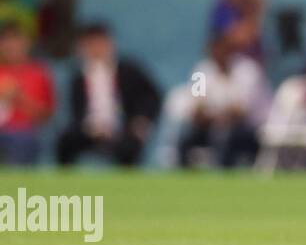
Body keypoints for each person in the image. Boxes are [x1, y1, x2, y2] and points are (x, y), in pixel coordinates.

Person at [57, 22, 161, 167]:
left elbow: (152, 96)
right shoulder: (79, 77)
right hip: (89, 131)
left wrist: (142, 120)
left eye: (100, 42)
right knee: (66, 140)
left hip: (123, 129)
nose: (96, 48)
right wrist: (92, 128)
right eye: (91, 44)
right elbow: (77, 112)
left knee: (131, 146)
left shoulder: (129, 71)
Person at [179, 28, 269, 169]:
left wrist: (219, 116)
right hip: (210, 127)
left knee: (231, 141)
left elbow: (241, 112)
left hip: (247, 130)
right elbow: (197, 110)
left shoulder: (247, 71)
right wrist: (217, 118)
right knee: (186, 141)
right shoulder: (201, 72)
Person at [0, 21, 54, 165]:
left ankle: (17, 186)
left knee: (22, 141)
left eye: (16, 40)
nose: (11, 46)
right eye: (6, 40)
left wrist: (18, 97)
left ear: (27, 44)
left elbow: (45, 116)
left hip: (23, 133)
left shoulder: (38, 73)